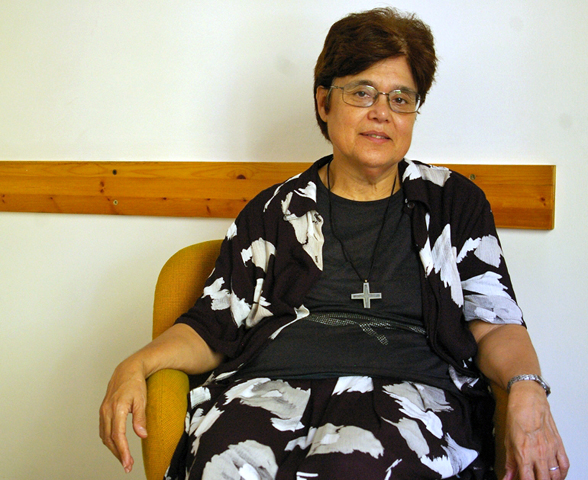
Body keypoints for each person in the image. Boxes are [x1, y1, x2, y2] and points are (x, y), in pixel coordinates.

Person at [100, 7, 569, 480]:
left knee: (353, 465)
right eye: (362, 92)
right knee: (227, 460)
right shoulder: (273, 211)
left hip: (409, 392)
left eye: (401, 98)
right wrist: (135, 363)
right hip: (267, 387)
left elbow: (496, 323)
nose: (382, 112)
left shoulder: (453, 205)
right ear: (324, 103)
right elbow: (213, 324)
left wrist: (527, 384)